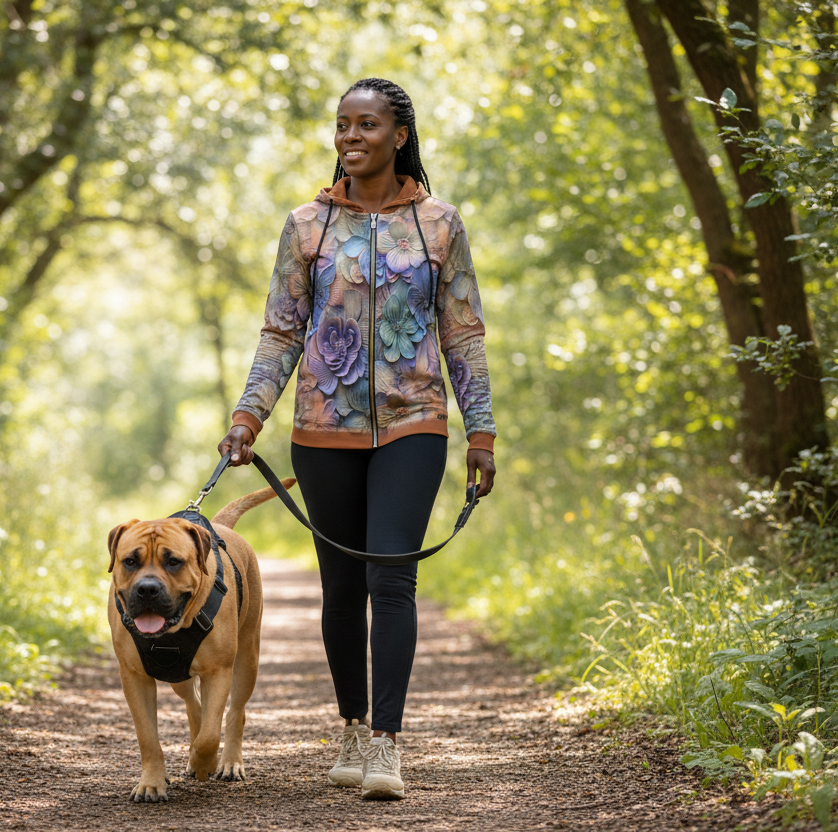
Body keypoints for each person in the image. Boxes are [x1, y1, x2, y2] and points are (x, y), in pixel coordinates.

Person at [218, 77, 496, 801]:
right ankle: (349, 723)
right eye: (342, 124)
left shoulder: (439, 224)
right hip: (322, 428)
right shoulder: (307, 225)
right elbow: (281, 330)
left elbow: (462, 331)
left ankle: (386, 745)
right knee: (341, 588)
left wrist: (482, 430)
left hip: (415, 422)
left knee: (390, 577)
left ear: (398, 135)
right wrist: (249, 416)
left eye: (366, 124)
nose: (350, 136)